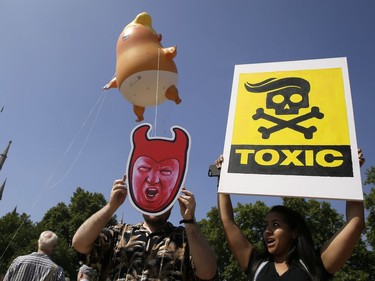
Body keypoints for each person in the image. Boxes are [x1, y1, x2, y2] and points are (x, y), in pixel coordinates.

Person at [216, 149, 366, 281]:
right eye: (265, 226)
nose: (267, 230)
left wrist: (353, 175)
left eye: (275, 225)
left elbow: (355, 223)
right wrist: (222, 178)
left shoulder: (316, 265)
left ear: (294, 232)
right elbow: (227, 221)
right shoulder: (256, 264)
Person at [72, 176, 217, 280]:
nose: (156, 204)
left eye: (164, 198)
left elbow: (208, 272)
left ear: (172, 203)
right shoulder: (119, 233)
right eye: (150, 196)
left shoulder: (185, 239)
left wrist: (189, 221)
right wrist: (111, 207)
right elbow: (79, 243)